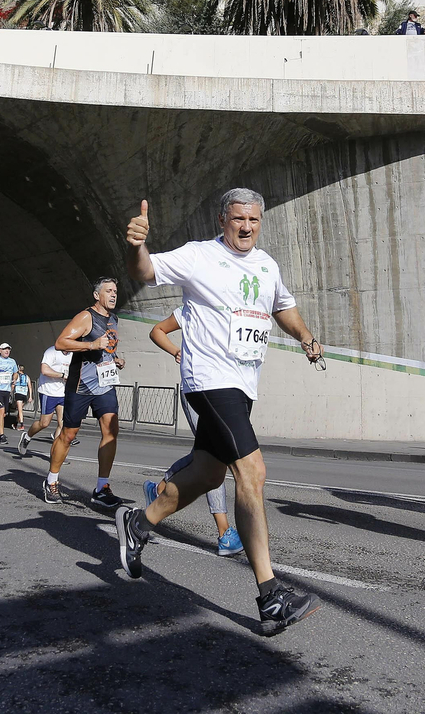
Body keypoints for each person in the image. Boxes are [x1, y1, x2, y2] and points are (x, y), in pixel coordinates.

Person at [112, 190, 327, 636]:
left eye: (253, 220)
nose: (246, 227)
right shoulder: (199, 256)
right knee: (252, 472)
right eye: (238, 219)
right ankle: (271, 599)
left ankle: (139, 521)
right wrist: (136, 247)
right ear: (222, 219)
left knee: (209, 475)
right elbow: (147, 271)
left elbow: (282, 306)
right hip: (208, 380)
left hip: (243, 385)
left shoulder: (267, 265)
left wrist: (305, 336)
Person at [141, 311, 243, 557]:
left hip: (227, 389)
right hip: (198, 388)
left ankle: (159, 489)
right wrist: (176, 351)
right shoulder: (194, 306)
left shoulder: (235, 307)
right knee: (216, 455)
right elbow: (157, 330)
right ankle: (224, 532)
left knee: (206, 455)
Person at [43, 278, 128, 506]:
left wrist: (115, 358)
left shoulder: (114, 319)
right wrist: (91, 345)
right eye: (108, 291)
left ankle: (102, 488)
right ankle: (52, 480)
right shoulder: (86, 317)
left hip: (105, 384)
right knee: (69, 434)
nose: (113, 295)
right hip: (81, 385)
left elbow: (107, 346)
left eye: (115, 291)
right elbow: (61, 343)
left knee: (111, 430)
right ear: (96, 295)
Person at [18, 345, 72, 457]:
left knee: (63, 424)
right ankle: (27, 437)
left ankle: (55, 455)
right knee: (44, 423)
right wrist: (62, 375)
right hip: (48, 391)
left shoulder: (73, 354)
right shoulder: (52, 351)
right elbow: (44, 370)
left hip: (63, 393)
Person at [12, 365, 30, 429]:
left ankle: (22, 425)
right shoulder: (27, 376)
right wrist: (30, 396)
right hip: (24, 394)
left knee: (20, 410)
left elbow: (13, 384)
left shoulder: (16, 375)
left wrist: (10, 391)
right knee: (20, 410)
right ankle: (15, 424)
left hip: (18, 393)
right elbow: (30, 387)